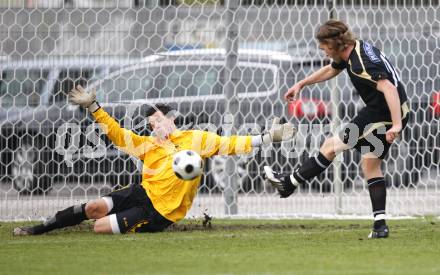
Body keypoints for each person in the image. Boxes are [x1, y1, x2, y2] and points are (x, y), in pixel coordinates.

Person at [13, 85, 296, 235]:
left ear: (171, 120)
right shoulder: (146, 145)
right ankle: (40, 228)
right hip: (141, 194)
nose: (154, 125)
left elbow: (234, 144)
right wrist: (94, 107)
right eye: (151, 123)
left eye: (158, 119)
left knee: (100, 226)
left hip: (160, 213)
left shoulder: (197, 139)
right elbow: (114, 132)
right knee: (94, 206)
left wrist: (269, 137)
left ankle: (119, 222)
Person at [264, 19, 409, 238]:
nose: (323, 52)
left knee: (330, 146)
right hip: (389, 111)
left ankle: (288, 183)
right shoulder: (353, 49)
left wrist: (396, 124)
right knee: (370, 165)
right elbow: (331, 70)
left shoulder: (360, 63)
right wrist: (301, 84)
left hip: (382, 115)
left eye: (323, 48)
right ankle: (380, 226)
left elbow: (388, 87)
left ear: (333, 44)